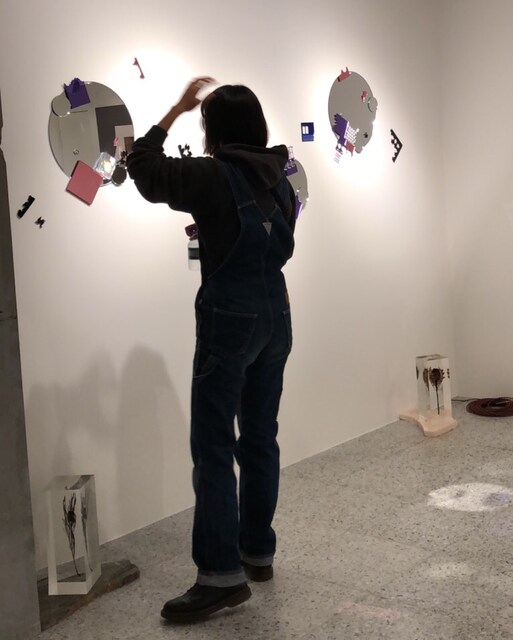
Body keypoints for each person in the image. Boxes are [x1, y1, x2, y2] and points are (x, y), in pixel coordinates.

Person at [127, 77, 296, 622]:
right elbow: (275, 241)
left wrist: (175, 110)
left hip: (231, 321)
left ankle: (220, 576)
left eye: (203, 124)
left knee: (214, 445)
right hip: (276, 316)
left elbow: (143, 169)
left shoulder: (211, 174)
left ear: (214, 129)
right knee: (260, 438)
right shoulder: (281, 177)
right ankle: (257, 551)